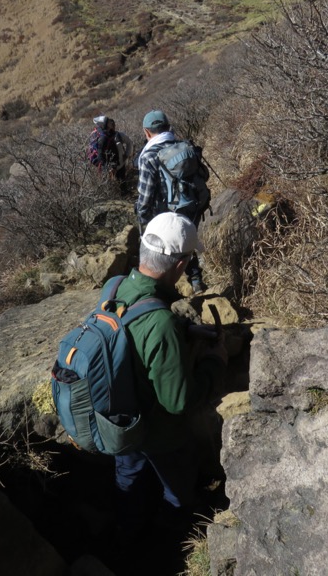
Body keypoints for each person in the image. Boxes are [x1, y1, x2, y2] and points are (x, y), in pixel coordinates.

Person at [110, 212, 228, 546]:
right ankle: (168, 546)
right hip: (159, 434)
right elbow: (179, 402)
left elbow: (134, 332)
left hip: (120, 421)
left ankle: (126, 538)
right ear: (180, 264)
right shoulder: (161, 324)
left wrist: (185, 330)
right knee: (176, 490)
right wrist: (213, 363)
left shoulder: (116, 286)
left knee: (128, 481)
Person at [135, 109, 207, 293]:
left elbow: (145, 197)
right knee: (185, 240)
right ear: (168, 127)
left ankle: (164, 291)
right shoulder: (183, 147)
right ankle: (196, 281)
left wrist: (144, 222)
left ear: (147, 132)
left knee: (163, 252)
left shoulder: (148, 156)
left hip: (165, 211)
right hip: (190, 205)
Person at [89, 116, 134, 194]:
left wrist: (127, 155)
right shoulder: (103, 138)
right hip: (110, 165)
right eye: (110, 123)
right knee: (112, 184)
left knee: (121, 180)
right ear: (106, 125)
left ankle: (122, 193)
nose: (112, 125)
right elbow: (100, 155)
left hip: (118, 163)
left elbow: (129, 142)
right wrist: (107, 167)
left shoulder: (116, 135)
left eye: (112, 123)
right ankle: (116, 195)